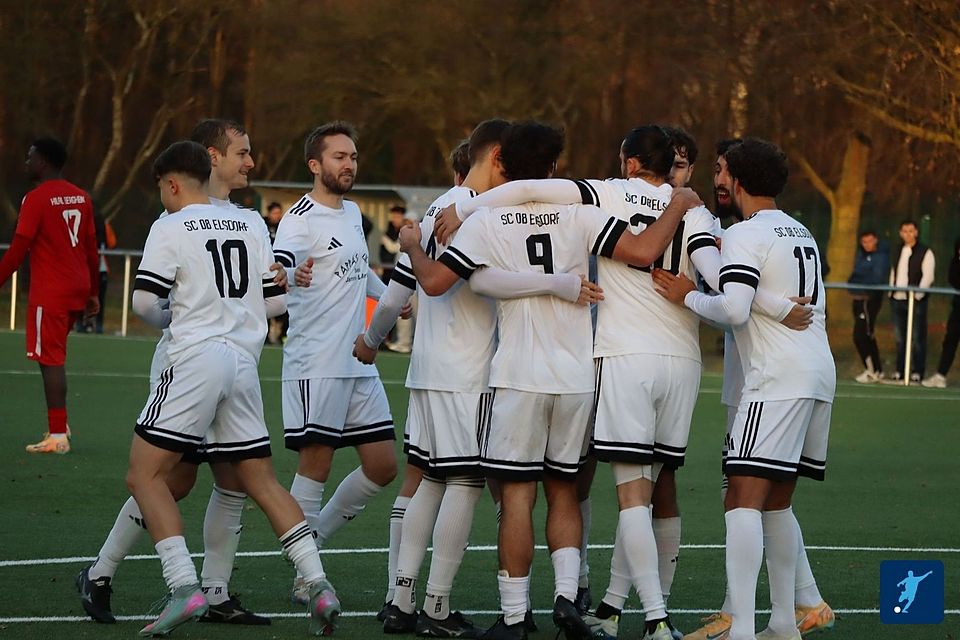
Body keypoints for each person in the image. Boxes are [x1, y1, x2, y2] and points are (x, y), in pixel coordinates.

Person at [400, 120, 702, 640]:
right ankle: (567, 596)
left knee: (517, 497)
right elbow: (639, 252)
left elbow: (433, 283)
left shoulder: (485, 219)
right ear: (555, 167)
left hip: (519, 375)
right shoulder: (581, 212)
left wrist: (411, 242)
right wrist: (676, 203)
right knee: (565, 492)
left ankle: (515, 618)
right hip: (578, 375)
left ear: (503, 165)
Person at [356, 120, 597, 637]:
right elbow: (437, 283)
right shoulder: (470, 212)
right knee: (465, 482)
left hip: (429, 369)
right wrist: (560, 283)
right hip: (470, 370)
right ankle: (437, 607)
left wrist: (373, 339)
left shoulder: (446, 207)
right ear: (495, 157)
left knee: (426, 478)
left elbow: (403, 287)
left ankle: (400, 600)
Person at [125, 140, 339, 637]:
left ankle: (184, 587)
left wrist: (172, 317)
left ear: (173, 184)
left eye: (162, 188)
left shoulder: (169, 226)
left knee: (144, 476)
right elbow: (273, 299)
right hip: (243, 363)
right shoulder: (249, 222)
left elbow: (144, 304)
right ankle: (318, 583)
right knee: (260, 481)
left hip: (197, 358)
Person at [77, 119, 279, 626]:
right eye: (241, 153)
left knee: (232, 478)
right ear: (211, 158)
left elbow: (265, 295)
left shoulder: (246, 220)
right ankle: (103, 572)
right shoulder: (181, 217)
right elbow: (150, 300)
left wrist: (283, 277)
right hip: (187, 364)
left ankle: (213, 592)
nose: (249, 162)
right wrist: (181, 322)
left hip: (228, 364)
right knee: (174, 479)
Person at [656, 138, 836, 640]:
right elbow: (756, 299)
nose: (715, 179)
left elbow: (732, 309)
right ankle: (784, 623)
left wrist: (687, 293)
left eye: (719, 170)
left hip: (775, 378)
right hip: (817, 374)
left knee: (741, 499)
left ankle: (741, 629)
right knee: (776, 503)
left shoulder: (743, 234)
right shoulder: (800, 230)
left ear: (737, 178)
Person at [272, 121, 399, 605]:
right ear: (315, 165)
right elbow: (281, 264)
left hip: (357, 362)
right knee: (315, 468)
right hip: (316, 363)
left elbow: (358, 267)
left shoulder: (350, 213)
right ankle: (306, 576)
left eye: (353, 157)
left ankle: (312, 542)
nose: (349, 165)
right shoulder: (299, 219)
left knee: (383, 465)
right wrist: (287, 273)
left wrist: (387, 296)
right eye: (339, 157)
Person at [0, 137, 99, 454]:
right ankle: (61, 422)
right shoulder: (81, 196)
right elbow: (91, 248)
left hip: (52, 291)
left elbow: (18, 250)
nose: (27, 161)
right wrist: (94, 293)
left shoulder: (37, 198)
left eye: (30, 156)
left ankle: (58, 435)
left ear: (43, 161)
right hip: (78, 286)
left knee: (50, 360)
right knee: (54, 355)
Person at [889, 219, 935, 383]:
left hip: (915, 301)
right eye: (904, 231)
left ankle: (917, 371)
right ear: (900, 233)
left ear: (916, 232)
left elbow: (928, 276)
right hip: (897, 299)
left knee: (917, 337)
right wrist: (891, 291)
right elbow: (894, 272)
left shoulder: (925, 252)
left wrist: (917, 296)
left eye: (911, 231)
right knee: (900, 338)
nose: (907, 234)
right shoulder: (898, 250)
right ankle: (900, 370)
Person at [848, 230, 890, 383]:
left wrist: (862, 281)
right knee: (865, 335)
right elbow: (853, 277)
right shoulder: (861, 255)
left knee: (861, 335)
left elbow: (876, 279)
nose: (867, 245)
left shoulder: (881, 257)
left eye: (870, 241)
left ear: (876, 240)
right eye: (864, 242)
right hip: (858, 300)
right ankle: (875, 370)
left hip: (869, 301)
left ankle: (873, 369)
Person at [923, 236, 960, 388]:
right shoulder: (955, 262)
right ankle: (940, 375)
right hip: (958, 309)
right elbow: (953, 279)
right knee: (950, 341)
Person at [264, 201, 289, 345]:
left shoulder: (282, 227)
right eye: (274, 213)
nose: (277, 216)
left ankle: (282, 334)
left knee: (283, 303)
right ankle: (265, 334)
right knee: (266, 302)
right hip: (266, 269)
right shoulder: (261, 224)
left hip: (280, 269)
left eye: (279, 213)